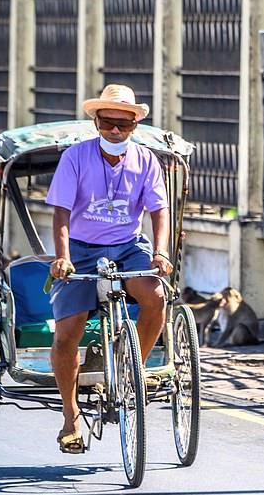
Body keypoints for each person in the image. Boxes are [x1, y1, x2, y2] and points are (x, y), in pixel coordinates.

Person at [46, 84, 173, 454]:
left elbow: (158, 210)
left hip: (129, 246)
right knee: (68, 331)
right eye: (108, 123)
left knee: (156, 295)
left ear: (134, 124)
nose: (115, 131)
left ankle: (136, 370)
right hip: (82, 250)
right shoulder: (75, 157)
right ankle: (70, 418)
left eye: (124, 125)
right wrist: (63, 256)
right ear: (96, 122)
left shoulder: (146, 160)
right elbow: (61, 212)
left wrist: (160, 251)